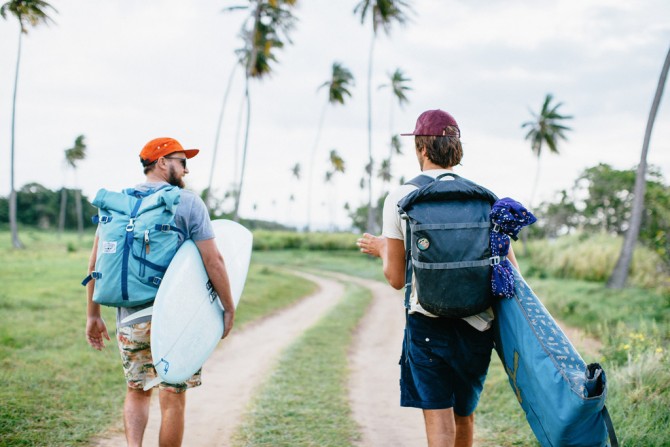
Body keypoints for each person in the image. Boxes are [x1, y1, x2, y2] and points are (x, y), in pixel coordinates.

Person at [357, 109, 519, 447]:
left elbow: (395, 279)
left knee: (439, 424)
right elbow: (510, 270)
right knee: (465, 415)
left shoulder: (400, 198)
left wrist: (382, 250)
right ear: (456, 148)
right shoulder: (485, 198)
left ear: (420, 148)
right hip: (477, 325)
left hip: (427, 325)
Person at [84, 137, 235, 447]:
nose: (186, 169)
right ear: (163, 162)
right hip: (175, 319)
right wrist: (228, 307)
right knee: (172, 396)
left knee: (137, 391)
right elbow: (213, 261)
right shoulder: (188, 202)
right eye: (182, 161)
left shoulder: (119, 203)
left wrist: (93, 314)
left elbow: (95, 263)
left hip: (130, 319)